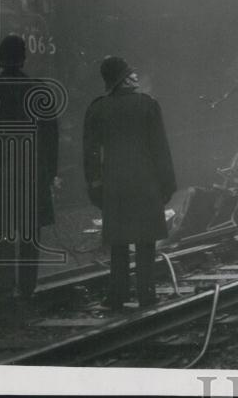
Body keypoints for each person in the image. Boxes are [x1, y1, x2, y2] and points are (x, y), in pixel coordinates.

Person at [0, 34, 61, 299]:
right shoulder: (38, 89)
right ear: (23, 59)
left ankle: (2, 288)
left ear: (0, 60)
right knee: (29, 234)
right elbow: (51, 136)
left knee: (2, 234)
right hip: (31, 172)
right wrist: (51, 172)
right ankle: (27, 288)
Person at [83, 56, 176, 309]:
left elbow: (90, 153)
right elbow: (160, 149)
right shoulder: (148, 105)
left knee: (119, 242)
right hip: (146, 182)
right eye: (130, 74)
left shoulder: (98, 108)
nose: (135, 77)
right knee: (146, 241)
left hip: (115, 183)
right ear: (120, 79)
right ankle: (147, 293)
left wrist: (94, 185)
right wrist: (167, 184)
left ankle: (118, 294)